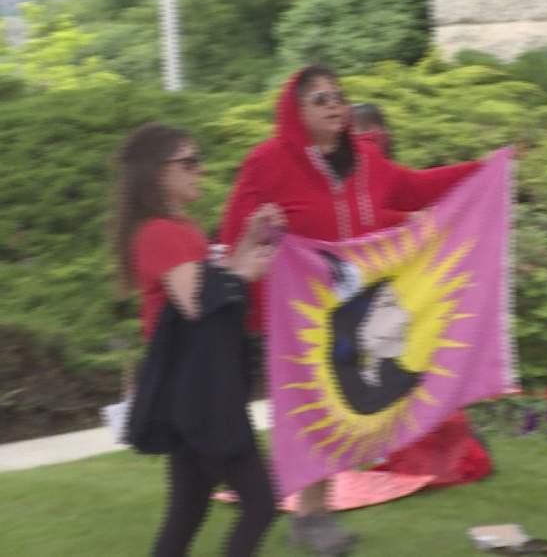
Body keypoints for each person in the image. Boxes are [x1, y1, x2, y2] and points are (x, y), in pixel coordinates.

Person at [219, 65, 492, 555]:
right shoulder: (266, 162)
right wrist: (256, 261)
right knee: (310, 411)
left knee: (342, 409)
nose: (334, 106)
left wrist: (480, 171)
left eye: (338, 97)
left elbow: (414, 189)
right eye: (320, 99)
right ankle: (313, 516)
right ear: (295, 111)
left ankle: (312, 513)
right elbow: (237, 231)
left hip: (358, 306)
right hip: (298, 315)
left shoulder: (365, 160)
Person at [114, 123, 281, 556]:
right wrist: (243, 275)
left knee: (186, 513)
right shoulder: (159, 232)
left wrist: (249, 238)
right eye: (188, 162)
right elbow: (198, 304)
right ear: (157, 172)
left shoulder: (182, 227)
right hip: (200, 394)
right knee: (261, 504)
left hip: (197, 387)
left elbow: (214, 286)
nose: (200, 170)